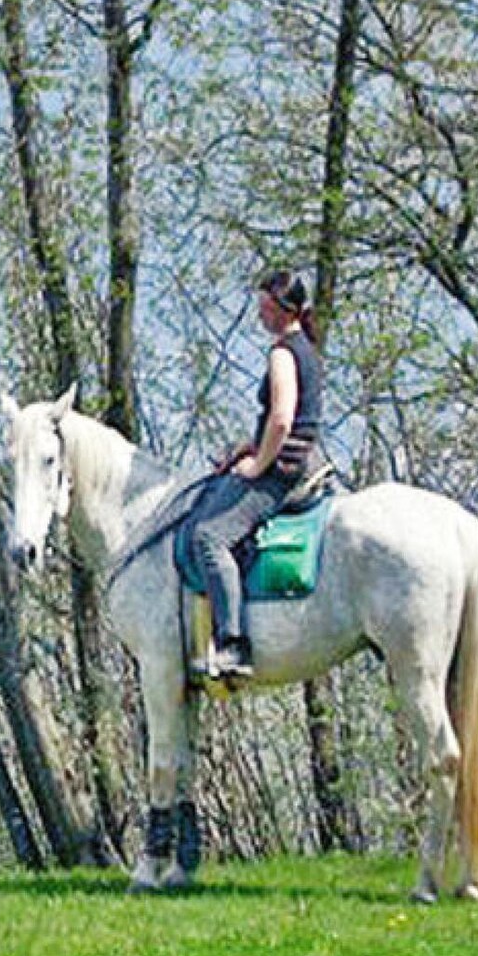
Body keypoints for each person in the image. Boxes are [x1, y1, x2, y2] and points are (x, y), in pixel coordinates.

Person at [182, 268, 325, 680]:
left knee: (209, 537)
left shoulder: (282, 353)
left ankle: (232, 644)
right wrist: (247, 447)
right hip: (298, 459)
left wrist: (256, 465)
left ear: (284, 310)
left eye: (265, 307)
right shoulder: (307, 350)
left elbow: (282, 420)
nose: (259, 315)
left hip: (282, 470)